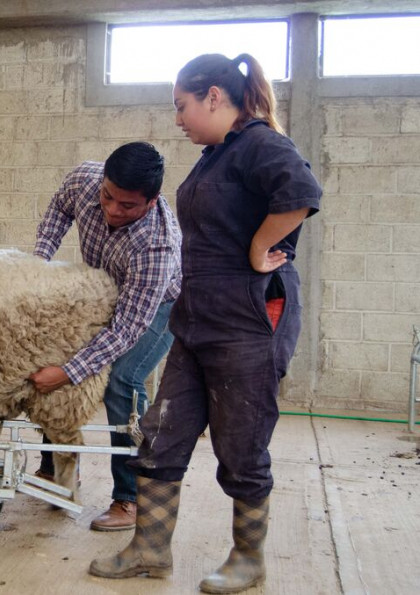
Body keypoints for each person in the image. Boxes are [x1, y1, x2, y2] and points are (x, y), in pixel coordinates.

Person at [89, 53, 322, 594]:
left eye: (182, 106)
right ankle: (150, 548)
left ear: (214, 96)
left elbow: (302, 194)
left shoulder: (262, 144)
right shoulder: (217, 154)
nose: (178, 119)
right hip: (196, 321)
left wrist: (263, 245)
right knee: (162, 433)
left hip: (246, 324)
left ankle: (248, 559)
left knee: (240, 446)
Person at [28, 141, 182, 530]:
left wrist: (68, 372)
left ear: (151, 201)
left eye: (127, 206)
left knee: (122, 380)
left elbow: (127, 329)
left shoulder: (156, 245)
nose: (113, 210)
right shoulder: (85, 179)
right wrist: (39, 265)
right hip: (106, 289)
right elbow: (58, 210)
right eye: (108, 197)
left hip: (162, 305)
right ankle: (55, 470)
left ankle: (130, 498)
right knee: (54, 354)